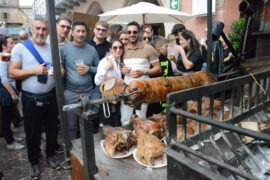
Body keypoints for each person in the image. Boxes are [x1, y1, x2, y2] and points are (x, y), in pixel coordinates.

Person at [9, 16, 62, 178]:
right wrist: (34, 71)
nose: (41, 32)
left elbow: (60, 70)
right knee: (32, 133)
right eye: (38, 28)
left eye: (44, 29)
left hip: (51, 97)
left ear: (48, 31)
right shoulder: (20, 48)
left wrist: (56, 71)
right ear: (31, 29)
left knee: (53, 130)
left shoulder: (53, 47)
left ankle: (50, 155)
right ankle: (34, 162)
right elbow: (12, 72)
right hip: (30, 99)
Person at [60, 20, 100, 139]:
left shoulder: (91, 49)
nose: (81, 34)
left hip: (88, 93)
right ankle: (72, 150)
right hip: (70, 93)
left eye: (83, 31)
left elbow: (99, 69)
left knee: (87, 123)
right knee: (71, 125)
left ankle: (87, 150)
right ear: (72, 33)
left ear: (86, 34)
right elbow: (60, 71)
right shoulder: (64, 49)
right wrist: (63, 91)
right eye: (78, 31)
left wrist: (89, 68)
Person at [121, 21, 161, 126]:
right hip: (126, 90)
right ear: (126, 33)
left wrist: (144, 72)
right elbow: (120, 67)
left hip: (143, 90)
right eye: (129, 32)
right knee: (125, 119)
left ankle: (141, 141)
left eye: (134, 32)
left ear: (139, 33)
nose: (132, 34)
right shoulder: (123, 50)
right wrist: (122, 70)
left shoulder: (149, 49)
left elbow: (158, 69)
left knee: (141, 119)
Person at [0, 36, 24, 150]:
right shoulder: (4, 57)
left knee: (8, 116)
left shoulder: (7, 56)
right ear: (4, 46)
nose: (14, 45)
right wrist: (13, 94)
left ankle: (11, 137)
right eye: (11, 43)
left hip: (10, 90)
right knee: (6, 118)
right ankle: (10, 142)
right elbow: (4, 78)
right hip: (7, 91)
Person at [95, 40, 125, 127]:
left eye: (120, 47)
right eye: (115, 48)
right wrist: (106, 68)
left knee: (116, 126)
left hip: (116, 99)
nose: (118, 50)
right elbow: (97, 81)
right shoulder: (105, 61)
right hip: (106, 100)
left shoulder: (118, 62)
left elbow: (116, 80)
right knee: (109, 128)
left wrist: (121, 81)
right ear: (110, 49)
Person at [147, 36, 174, 116]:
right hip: (152, 97)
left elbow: (171, 76)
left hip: (164, 96)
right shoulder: (149, 61)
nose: (167, 49)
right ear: (158, 47)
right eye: (166, 46)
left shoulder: (166, 60)